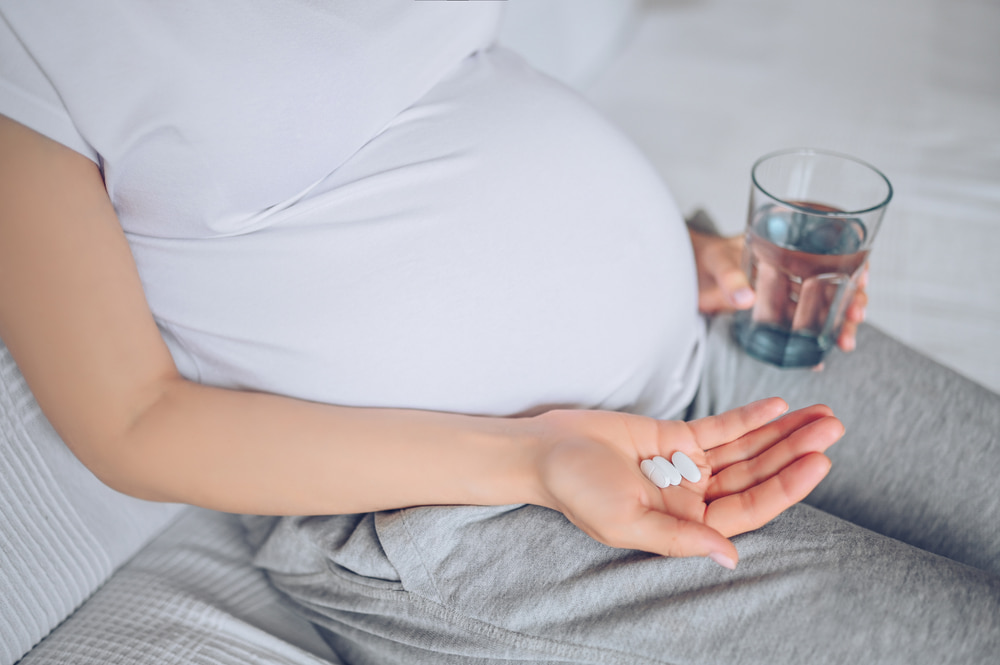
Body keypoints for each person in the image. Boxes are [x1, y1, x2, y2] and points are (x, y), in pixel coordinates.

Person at [0, 2, 996, 664]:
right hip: (459, 501)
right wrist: (535, 458)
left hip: (712, 335)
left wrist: (661, 245)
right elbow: (132, 420)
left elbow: (455, 90)